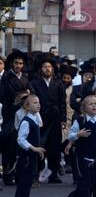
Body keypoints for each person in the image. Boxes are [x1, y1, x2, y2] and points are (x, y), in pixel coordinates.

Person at [66, 96, 96, 197]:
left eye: (95, 104)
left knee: (91, 183)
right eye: (91, 104)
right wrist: (79, 134)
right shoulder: (80, 121)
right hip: (81, 156)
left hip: (95, 157)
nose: (94, 106)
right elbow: (70, 135)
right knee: (84, 183)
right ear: (84, 108)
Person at [0, 49, 35, 187]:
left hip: (24, 114)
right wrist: (22, 94)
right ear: (11, 64)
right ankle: (8, 175)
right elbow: (5, 95)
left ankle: (19, 173)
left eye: (21, 63)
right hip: (10, 114)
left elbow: (32, 93)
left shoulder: (25, 77)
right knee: (9, 144)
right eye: (16, 63)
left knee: (21, 144)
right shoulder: (6, 77)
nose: (18, 66)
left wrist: (24, 94)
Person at [31, 53, 67, 183]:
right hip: (40, 118)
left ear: (53, 69)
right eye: (45, 66)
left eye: (50, 67)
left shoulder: (58, 83)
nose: (48, 69)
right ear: (41, 69)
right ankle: (39, 173)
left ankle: (53, 174)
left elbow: (63, 103)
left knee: (55, 147)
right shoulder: (34, 83)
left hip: (55, 117)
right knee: (40, 145)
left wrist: (63, 119)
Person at [14, 95, 46, 197]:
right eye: (34, 102)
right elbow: (21, 139)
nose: (38, 104)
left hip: (31, 156)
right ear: (27, 106)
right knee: (24, 182)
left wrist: (38, 151)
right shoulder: (26, 121)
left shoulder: (35, 118)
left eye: (38, 102)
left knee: (28, 182)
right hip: (26, 157)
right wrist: (33, 148)